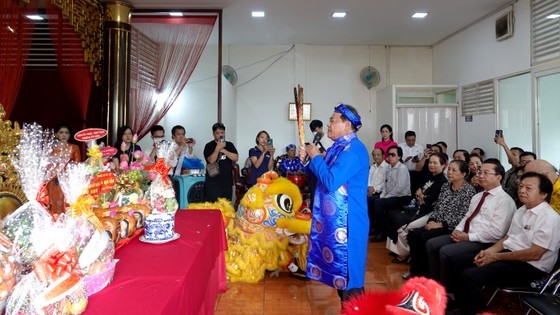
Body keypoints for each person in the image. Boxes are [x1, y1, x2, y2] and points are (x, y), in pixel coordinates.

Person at [458, 172, 560, 315]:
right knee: (461, 261)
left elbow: (535, 254)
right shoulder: (522, 210)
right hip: (511, 257)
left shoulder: (549, 218)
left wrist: (496, 257)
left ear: (543, 194)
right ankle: (462, 306)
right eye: (521, 186)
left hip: (532, 267)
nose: (522, 190)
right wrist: (490, 251)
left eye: (528, 188)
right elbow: (508, 238)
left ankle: (479, 312)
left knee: (471, 275)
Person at [298, 103, 369, 302]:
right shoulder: (338, 147)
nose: (328, 124)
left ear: (347, 125)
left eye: (333, 120)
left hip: (349, 222)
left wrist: (315, 157)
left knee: (350, 281)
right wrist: (309, 160)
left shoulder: (353, 150)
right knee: (341, 276)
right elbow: (320, 174)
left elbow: (331, 181)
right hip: (338, 221)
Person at [425, 158, 516, 295]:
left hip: (484, 242)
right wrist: (457, 230)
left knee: (446, 251)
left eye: (486, 173)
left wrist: (468, 237)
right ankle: (434, 284)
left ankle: (448, 293)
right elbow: (467, 216)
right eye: (480, 172)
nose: (480, 175)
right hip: (466, 235)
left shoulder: (505, 201)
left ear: (499, 177)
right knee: (432, 243)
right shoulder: (478, 196)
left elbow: (497, 233)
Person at [403, 160, 476, 279]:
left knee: (424, 237)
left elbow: (463, 215)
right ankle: (415, 270)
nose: (450, 172)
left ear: (463, 174)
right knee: (414, 235)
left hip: (451, 226)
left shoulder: (469, 191)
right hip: (437, 221)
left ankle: (426, 274)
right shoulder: (446, 186)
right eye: (449, 170)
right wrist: (432, 220)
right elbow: (439, 206)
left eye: (454, 170)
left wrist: (440, 224)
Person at [387, 152, 448, 263]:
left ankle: (404, 254)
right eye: (430, 162)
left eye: (435, 163)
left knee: (403, 226)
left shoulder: (443, 182)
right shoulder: (431, 177)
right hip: (418, 207)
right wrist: (421, 196)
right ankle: (397, 249)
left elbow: (431, 201)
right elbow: (419, 193)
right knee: (394, 216)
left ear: (443, 165)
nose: (431, 165)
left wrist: (421, 196)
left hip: (428, 212)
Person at [370, 145, 411, 242]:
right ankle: (375, 228)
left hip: (402, 197)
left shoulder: (402, 168)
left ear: (399, 157)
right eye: (389, 155)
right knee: (373, 200)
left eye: (393, 155)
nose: (390, 157)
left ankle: (382, 233)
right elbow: (385, 184)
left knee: (379, 203)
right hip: (391, 196)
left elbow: (399, 188)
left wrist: (385, 198)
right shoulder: (388, 168)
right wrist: (382, 196)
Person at [47, 123, 82, 214]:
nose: (64, 135)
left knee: (66, 202)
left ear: (69, 135)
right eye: (61, 132)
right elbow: (47, 165)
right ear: (56, 134)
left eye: (66, 133)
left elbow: (76, 165)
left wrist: (66, 175)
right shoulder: (50, 148)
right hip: (53, 180)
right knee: (52, 202)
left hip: (67, 180)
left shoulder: (74, 148)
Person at [203, 122, 238, 202]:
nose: (220, 135)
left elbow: (235, 158)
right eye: (217, 133)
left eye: (222, 132)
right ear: (213, 134)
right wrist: (217, 148)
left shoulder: (229, 145)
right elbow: (211, 161)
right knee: (214, 208)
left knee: (227, 208)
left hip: (227, 182)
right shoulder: (209, 146)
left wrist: (223, 150)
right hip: (213, 183)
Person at [367, 148, 388, 234]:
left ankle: (374, 227)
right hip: (369, 190)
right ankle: (367, 225)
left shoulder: (387, 167)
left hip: (380, 192)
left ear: (383, 156)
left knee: (369, 201)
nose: (376, 157)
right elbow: (367, 178)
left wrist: (374, 189)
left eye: (378, 155)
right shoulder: (372, 166)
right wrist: (369, 187)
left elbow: (384, 183)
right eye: (374, 155)